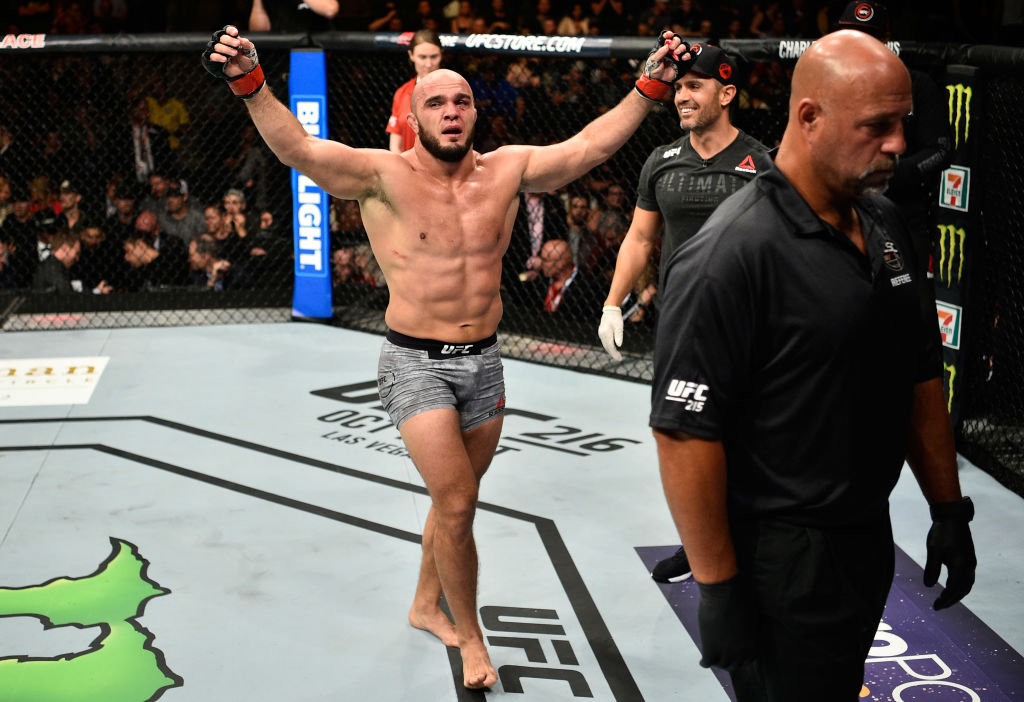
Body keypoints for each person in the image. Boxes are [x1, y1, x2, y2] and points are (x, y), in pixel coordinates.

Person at [202, 23, 693, 689]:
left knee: (454, 502)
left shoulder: (506, 168)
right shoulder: (381, 174)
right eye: (436, 103)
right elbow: (297, 148)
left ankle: (424, 602)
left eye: (461, 101)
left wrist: (650, 87)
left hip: (483, 361)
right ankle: (471, 638)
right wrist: (250, 82)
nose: (452, 112)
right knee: (458, 501)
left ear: (474, 112)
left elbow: (586, 148)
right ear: (413, 113)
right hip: (415, 362)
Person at [649, 31, 977, 700]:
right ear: (809, 118)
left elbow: (918, 371)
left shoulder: (882, 223)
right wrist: (718, 586)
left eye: (902, 124)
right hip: (781, 553)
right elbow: (684, 431)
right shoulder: (732, 253)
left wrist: (949, 508)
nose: (896, 144)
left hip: (864, 530)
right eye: (876, 126)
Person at [598, 43, 772, 582]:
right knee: (685, 439)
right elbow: (639, 237)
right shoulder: (662, 160)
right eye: (678, 88)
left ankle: (750, 546)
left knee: (744, 440)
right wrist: (612, 302)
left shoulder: (761, 163)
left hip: (744, 327)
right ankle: (701, 547)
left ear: (727, 93)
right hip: (679, 325)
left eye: (694, 87)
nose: (681, 97)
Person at [386, 29, 444, 154]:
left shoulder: (456, 90)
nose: (428, 64)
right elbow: (395, 145)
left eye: (434, 56)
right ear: (411, 55)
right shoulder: (401, 93)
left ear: (441, 54)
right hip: (407, 169)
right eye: (422, 57)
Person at [32, 229, 80, 293]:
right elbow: (67, 295)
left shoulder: (53, 265)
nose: (77, 258)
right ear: (65, 249)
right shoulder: (53, 268)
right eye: (76, 253)